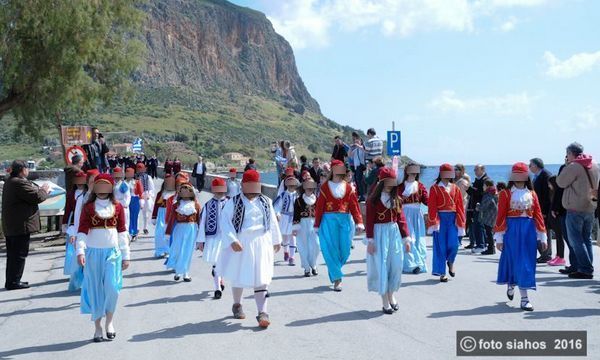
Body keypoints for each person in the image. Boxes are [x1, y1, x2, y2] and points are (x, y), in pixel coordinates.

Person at [217, 170, 282, 328]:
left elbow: (272, 221)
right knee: (239, 274)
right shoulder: (233, 202)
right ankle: (237, 304)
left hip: (262, 241)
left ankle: (262, 312)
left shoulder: (266, 201)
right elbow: (224, 222)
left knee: (262, 277)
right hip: (242, 242)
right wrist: (232, 240)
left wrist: (276, 239)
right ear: (243, 185)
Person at [75, 174, 130, 342]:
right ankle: (98, 326)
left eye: (105, 185)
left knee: (113, 288)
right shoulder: (88, 207)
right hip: (93, 253)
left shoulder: (118, 206)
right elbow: (82, 231)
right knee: (95, 290)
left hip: (112, 252)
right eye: (99, 185)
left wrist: (126, 255)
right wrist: (80, 251)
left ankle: (110, 322)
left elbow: (122, 231)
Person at [494, 163, 547, 311]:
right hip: (512, 231)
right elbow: (501, 216)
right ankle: (523, 296)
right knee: (516, 261)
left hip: (528, 231)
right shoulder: (505, 193)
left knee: (526, 263)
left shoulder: (532, 193)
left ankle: (517, 289)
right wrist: (499, 237)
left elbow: (537, 215)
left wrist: (542, 236)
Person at [366, 168, 411, 314]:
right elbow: (370, 221)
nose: (391, 185)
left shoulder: (396, 199)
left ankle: (392, 294)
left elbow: (401, 220)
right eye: (388, 182)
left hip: (394, 233)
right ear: (382, 182)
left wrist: (406, 239)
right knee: (382, 266)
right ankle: (385, 300)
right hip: (379, 234)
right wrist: (370, 241)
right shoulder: (373, 200)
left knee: (396, 265)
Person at [314, 159, 364, 291]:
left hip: (344, 221)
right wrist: (317, 224)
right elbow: (319, 207)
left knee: (346, 249)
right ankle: (337, 279)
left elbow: (354, 206)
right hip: (328, 221)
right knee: (330, 249)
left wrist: (359, 222)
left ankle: (335, 269)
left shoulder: (348, 187)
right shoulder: (325, 187)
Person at [2, 160, 49, 290]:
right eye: (27, 168)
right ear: (22, 170)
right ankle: (14, 282)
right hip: (19, 225)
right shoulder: (19, 182)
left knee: (13, 255)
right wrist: (44, 190)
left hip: (12, 225)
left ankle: (12, 280)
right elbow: (37, 197)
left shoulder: (10, 181)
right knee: (19, 254)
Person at [556, 142, 599, 279]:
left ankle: (585, 269)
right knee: (586, 238)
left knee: (576, 240)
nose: (567, 156)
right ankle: (585, 266)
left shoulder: (574, 166)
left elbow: (560, 182)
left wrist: (567, 166)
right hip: (590, 205)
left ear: (571, 153)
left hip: (575, 207)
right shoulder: (594, 164)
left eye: (567, 154)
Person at [427, 164, 466, 283]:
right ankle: (442, 273)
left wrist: (461, 221)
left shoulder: (455, 188)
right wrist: (434, 221)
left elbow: (460, 205)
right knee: (441, 247)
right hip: (440, 218)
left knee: (454, 244)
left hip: (453, 218)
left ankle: (451, 261)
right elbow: (432, 206)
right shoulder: (434, 188)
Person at [196, 178, 229, 299]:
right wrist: (200, 240)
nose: (220, 193)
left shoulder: (231, 203)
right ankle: (217, 288)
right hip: (213, 238)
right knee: (216, 263)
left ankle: (221, 279)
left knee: (224, 263)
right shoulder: (208, 205)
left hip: (227, 239)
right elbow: (202, 223)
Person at [165, 182, 201, 282]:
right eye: (183, 190)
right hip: (179, 229)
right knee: (177, 250)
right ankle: (177, 271)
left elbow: (199, 220)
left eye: (187, 190)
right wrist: (168, 233)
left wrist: (201, 236)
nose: (185, 193)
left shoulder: (196, 205)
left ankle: (186, 273)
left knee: (188, 251)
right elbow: (172, 219)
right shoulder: (176, 205)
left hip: (191, 229)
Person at [397, 163, 428, 274]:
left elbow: (427, 201)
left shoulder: (420, 186)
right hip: (405, 214)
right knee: (410, 239)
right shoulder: (400, 186)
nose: (414, 173)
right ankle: (412, 264)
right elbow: (396, 201)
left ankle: (420, 263)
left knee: (419, 239)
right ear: (407, 171)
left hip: (417, 214)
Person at [63, 171, 88, 291]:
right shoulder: (72, 194)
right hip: (74, 225)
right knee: (75, 254)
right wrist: (67, 227)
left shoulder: (90, 194)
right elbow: (68, 210)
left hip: (89, 229)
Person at [292, 178, 320, 277]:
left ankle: (313, 264)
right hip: (302, 224)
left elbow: (320, 213)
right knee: (303, 246)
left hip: (314, 223)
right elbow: (295, 214)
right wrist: (295, 227)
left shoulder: (318, 199)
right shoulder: (298, 200)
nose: (310, 190)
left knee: (316, 245)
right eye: (308, 188)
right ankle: (307, 268)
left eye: (311, 188)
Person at [529, 158, 553, 263]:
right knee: (539, 232)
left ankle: (546, 254)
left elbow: (547, 196)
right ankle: (544, 254)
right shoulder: (537, 176)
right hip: (537, 209)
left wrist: (544, 211)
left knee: (544, 232)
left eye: (531, 165)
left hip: (543, 209)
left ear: (536, 165)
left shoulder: (545, 175)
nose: (529, 167)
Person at [274, 176, 300, 265]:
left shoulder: (298, 195)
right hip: (284, 217)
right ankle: (286, 251)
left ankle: (292, 257)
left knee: (293, 236)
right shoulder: (283, 195)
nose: (291, 187)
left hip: (294, 217)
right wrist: (277, 213)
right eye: (290, 186)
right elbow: (277, 206)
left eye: (293, 185)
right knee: (285, 237)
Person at [466, 165, 490, 253]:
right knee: (477, 225)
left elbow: (482, 193)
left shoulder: (485, 179)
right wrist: (468, 189)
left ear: (482, 169)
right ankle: (482, 244)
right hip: (476, 206)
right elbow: (474, 193)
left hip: (481, 206)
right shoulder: (478, 179)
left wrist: (470, 188)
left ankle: (481, 245)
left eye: (476, 169)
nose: (475, 171)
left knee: (479, 225)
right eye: (474, 169)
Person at [152, 174, 176, 259]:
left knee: (169, 233)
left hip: (171, 214)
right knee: (159, 233)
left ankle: (168, 250)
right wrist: (154, 217)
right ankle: (160, 250)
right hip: (162, 213)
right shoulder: (160, 194)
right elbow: (156, 205)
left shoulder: (176, 194)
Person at [548, 174, 567, 266]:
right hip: (555, 219)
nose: (549, 186)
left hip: (558, 218)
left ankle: (561, 256)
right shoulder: (553, 193)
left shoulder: (558, 195)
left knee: (560, 237)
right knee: (558, 237)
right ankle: (558, 255)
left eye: (550, 184)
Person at [478, 180, 498, 255]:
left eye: (484, 185)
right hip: (494, 214)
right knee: (490, 232)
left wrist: (478, 206)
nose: (483, 187)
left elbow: (484, 206)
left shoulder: (488, 194)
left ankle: (491, 249)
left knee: (489, 232)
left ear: (487, 186)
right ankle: (491, 248)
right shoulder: (495, 193)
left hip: (489, 215)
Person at [135, 163, 155, 236]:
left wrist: (149, 194)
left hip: (145, 194)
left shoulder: (147, 177)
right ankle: (136, 228)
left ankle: (145, 227)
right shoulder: (134, 177)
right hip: (136, 195)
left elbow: (151, 187)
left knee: (145, 213)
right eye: (138, 168)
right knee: (136, 213)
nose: (139, 170)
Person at [454, 164, 471, 246]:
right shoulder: (455, 180)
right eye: (455, 169)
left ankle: (458, 240)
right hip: (455, 204)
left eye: (457, 169)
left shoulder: (462, 181)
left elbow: (461, 194)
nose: (455, 171)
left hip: (461, 204)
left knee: (460, 221)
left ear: (461, 171)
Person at [125, 167, 143, 241]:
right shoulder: (123, 183)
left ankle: (134, 232)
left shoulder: (137, 182)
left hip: (135, 200)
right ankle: (128, 232)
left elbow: (141, 192)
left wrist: (141, 202)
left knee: (134, 217)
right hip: (126, 200)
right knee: (127, 217)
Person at [348, 135, 367, 202]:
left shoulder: (362, 148)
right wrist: (351, 148)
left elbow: (364, 150)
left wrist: (357, 145)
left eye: (357, 141)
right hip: (356, 167)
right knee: (357, 181)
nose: (356, 142)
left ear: (361, 141)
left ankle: (362, 195)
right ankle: (359, 195)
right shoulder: (355, 150)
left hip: (360, 167)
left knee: (360, 181)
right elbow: (349, 155)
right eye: (355, 141)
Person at [112, 167, 131, 235]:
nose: (116, 177)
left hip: (122, 207)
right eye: (115, 174)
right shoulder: (112, 184)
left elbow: (127, 197)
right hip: (113, 208)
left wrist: (123, 205)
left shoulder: (123, 185)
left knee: (124, 225)